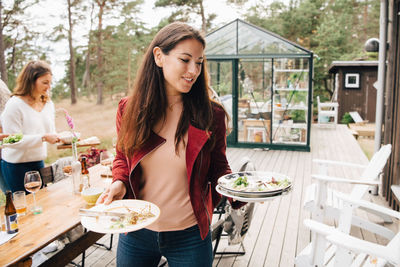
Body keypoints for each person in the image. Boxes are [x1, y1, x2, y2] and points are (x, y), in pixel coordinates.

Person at [97, 22, 244, 267]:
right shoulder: (129, 109)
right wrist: (119, 182)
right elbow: (122, 156)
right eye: (185, 59)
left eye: (199, 62)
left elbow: (219, 166)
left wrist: (239, 191)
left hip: (190, 234)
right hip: (136, 228)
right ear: (159, 56)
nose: (193, 70)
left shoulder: (212, 114)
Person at [1, 60, 59, 192]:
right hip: (15, 165)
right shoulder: (14, 105)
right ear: (31, 81)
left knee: (42, 204)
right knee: (25, 208)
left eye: (50, 83)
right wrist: (43, 138)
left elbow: (50, 131)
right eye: (45, 82)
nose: (48, 87)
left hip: (38, 161)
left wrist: (59, 138)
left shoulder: (48, 104)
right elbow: (12, 140)